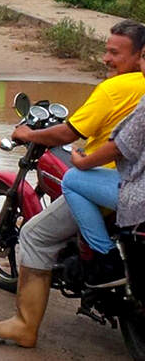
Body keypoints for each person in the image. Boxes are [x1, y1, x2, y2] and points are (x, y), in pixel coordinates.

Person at [0, 19, 145, 348]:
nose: (106, 59)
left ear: (139, 55)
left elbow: (70, 133)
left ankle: (25, 325)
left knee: (34, 234)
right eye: (106, 51)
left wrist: (28, 133)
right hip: (127, 182)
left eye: (115, 53)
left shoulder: (113, 90)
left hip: (118, 186)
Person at [61, 45, 145, 286]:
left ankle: (106, 258)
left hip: (138, 196)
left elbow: (120, 146)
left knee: (72, 179)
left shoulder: (121, 92)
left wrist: (82, 162)